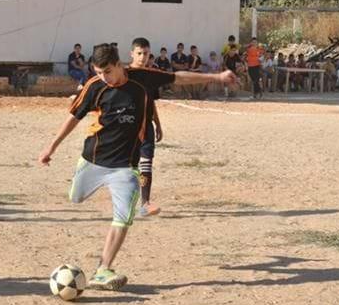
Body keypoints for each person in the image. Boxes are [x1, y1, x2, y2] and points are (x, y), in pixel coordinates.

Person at [38, 43, 236, 290]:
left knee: (122, 219)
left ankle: (103, 270)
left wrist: (216, 76)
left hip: (125, 167)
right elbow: (73, 117)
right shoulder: (94, 86)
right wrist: (51, 148)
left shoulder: (143, 78)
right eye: (98, 72)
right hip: (93, 160)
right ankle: (87, 189)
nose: (103, 77)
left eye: (107, 71)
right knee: (76, 198)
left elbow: (178, 77)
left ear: (120, 65)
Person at [128, 37, 163, 217]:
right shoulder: (125, 75)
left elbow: (152, 102)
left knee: (146, 164)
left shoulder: (151, 76)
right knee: (129, 167)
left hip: (146, 126)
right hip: (128, 127)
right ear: (132, 54)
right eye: (139, 53)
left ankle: (145, 203)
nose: (142, 57)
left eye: (146, 53)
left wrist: (157, 123)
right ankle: (126, 200)